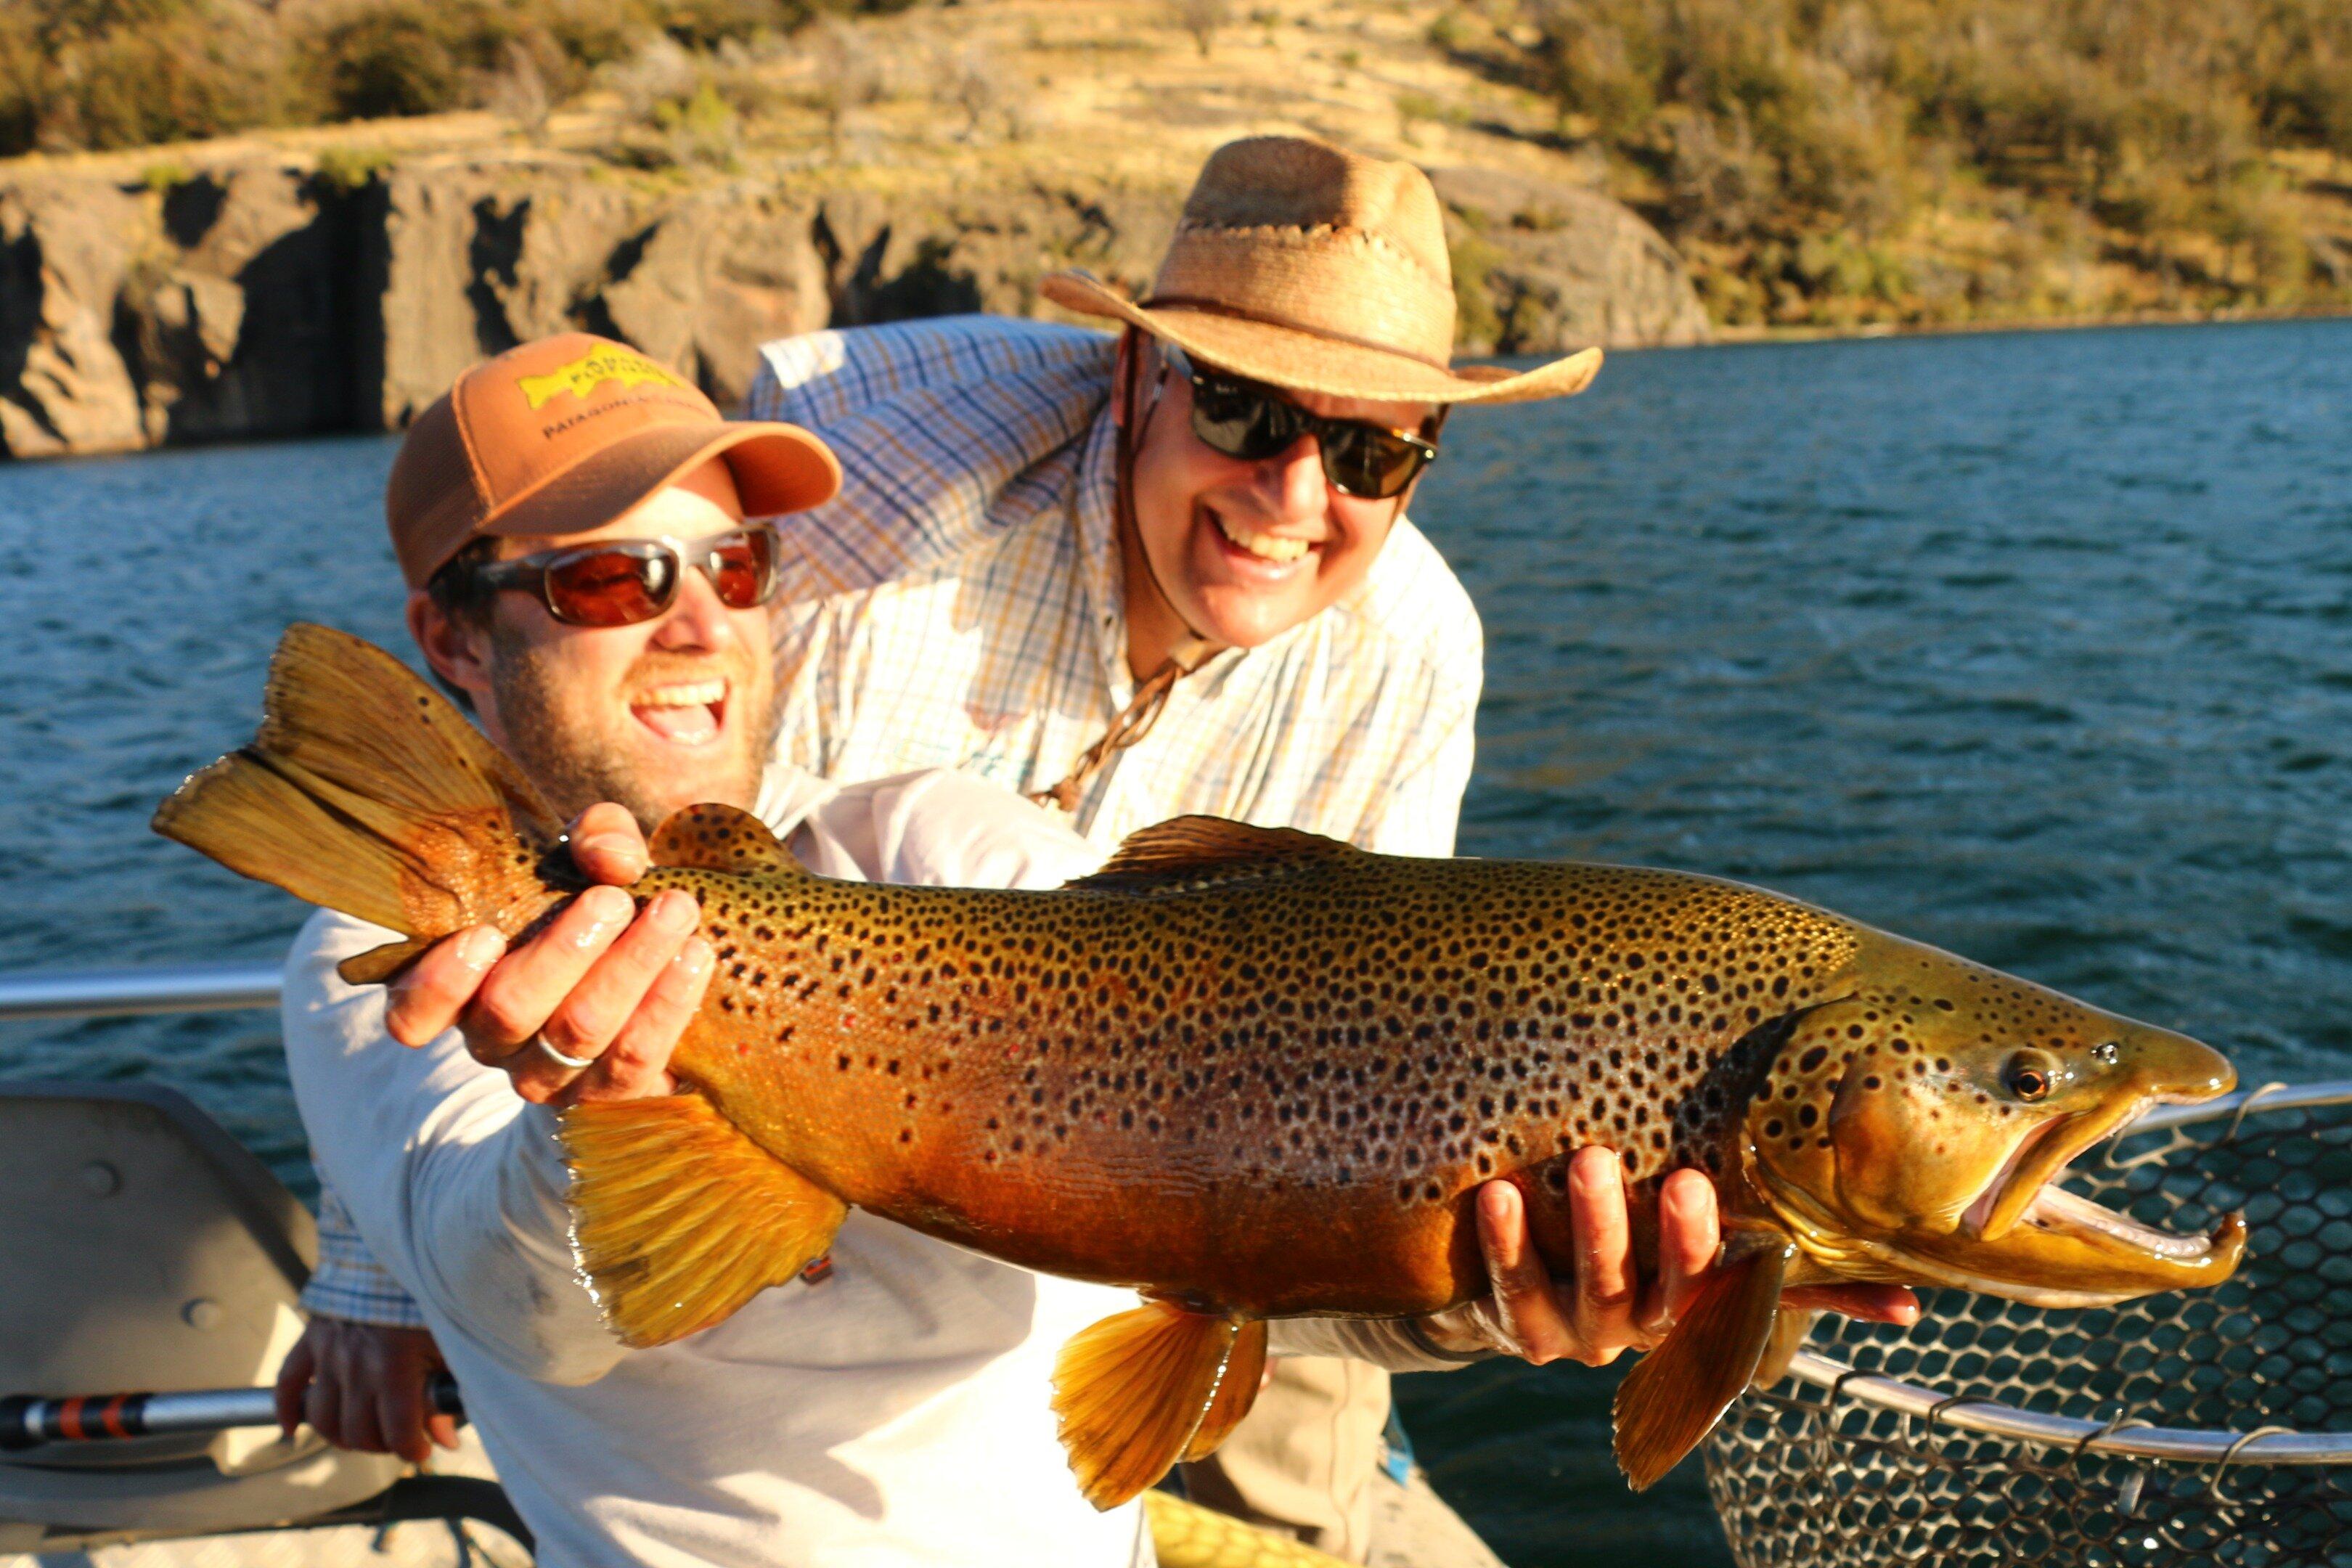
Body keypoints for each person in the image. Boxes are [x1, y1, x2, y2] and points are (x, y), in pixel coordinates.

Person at [281, 139, 1917, 1561]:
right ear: (1133, 376)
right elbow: (493, 1176)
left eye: (1369, 452)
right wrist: (392, 1246)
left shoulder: (1360, 662)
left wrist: (1506, 1283)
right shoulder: (882, 504)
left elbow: (1368, 1059)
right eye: (608, 584)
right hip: (757, 1219)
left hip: (1145, 1218)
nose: (1294, 488)